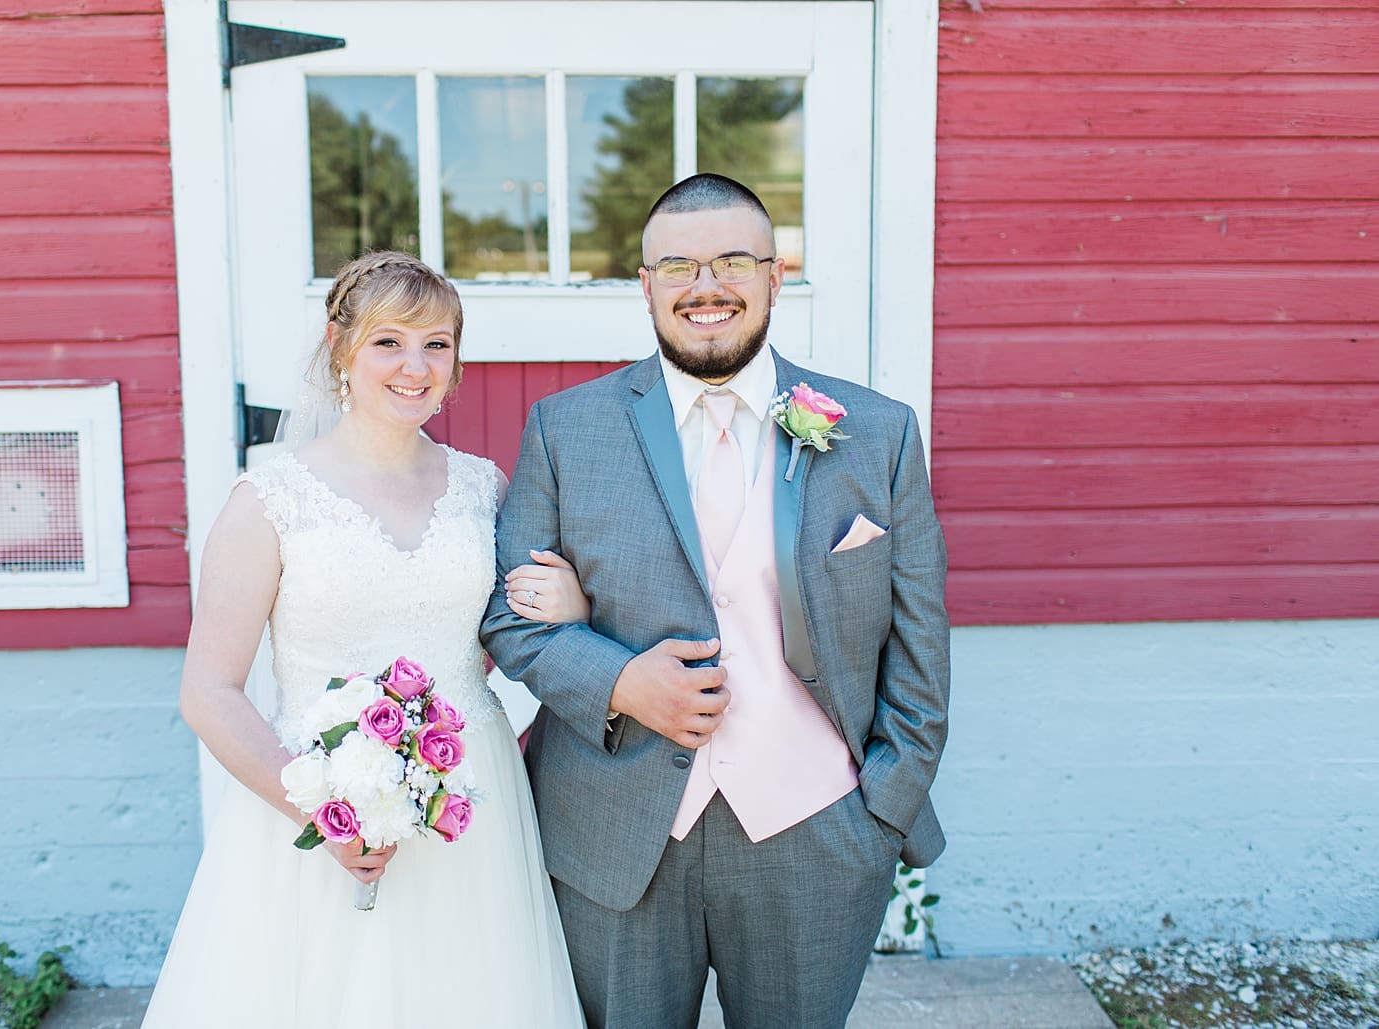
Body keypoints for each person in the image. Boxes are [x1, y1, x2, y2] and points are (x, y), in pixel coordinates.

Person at [481, 174, 951, 1029]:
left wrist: (882, 807)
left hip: (817, 828)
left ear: (776, 276)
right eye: (679, 266)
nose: (706, 286)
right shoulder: (565, 427)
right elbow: (510, 616)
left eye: (734, 260)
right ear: (646, 285)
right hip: (614, 829)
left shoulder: (876, 431)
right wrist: (621, 682)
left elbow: (920, 642)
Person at [141, 252, 587, 1028]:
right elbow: (207, 691)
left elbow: (505, 629)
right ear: (340, 346)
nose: (415, 367)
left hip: (469, 797)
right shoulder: (269, 500)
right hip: (316, 792)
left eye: (437, 344)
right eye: (389, 341)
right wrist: (323, 814)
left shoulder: (484, 488)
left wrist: (571, 600)